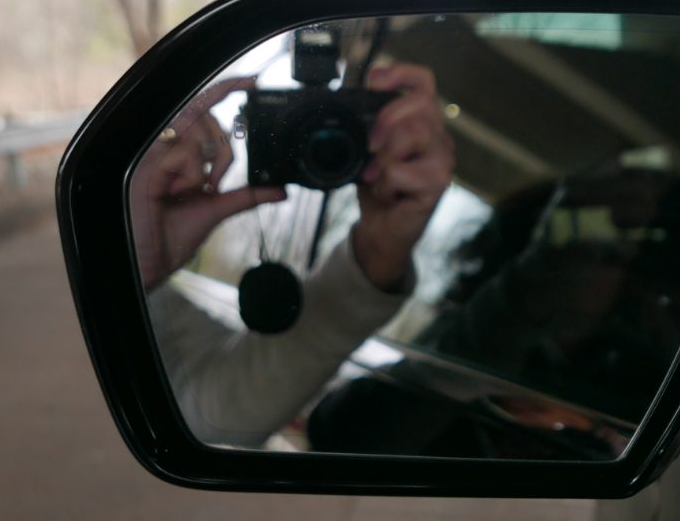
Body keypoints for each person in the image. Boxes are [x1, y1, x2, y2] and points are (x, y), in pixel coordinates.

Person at [132, 62, 454, 447]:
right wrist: (125, 267)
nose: (322, 145)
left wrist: (380, 249)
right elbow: (217, 413)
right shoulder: (144, 291)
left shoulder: (160, 307)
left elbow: (219, 412)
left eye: (347, 122)